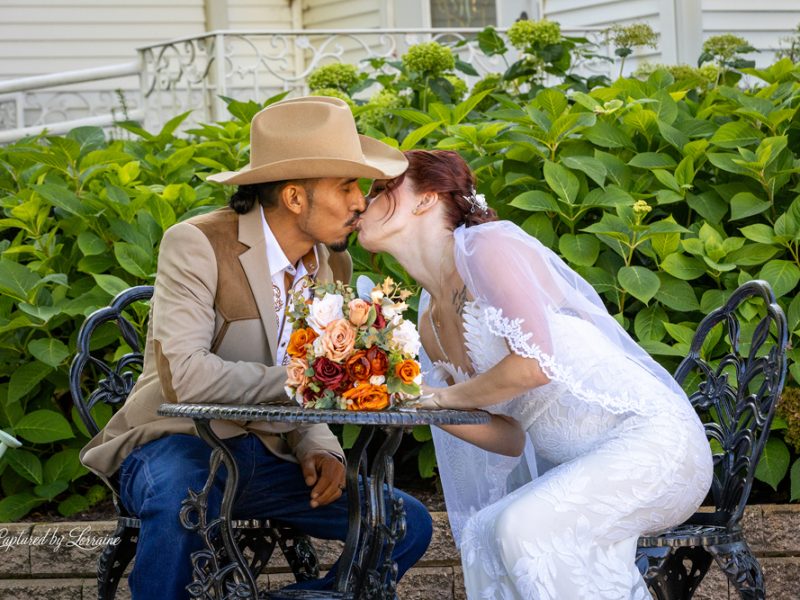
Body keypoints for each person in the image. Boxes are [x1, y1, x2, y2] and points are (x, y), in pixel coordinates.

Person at [79, 96, 432, 599]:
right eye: (347, 185)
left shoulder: (332, 265)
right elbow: (190, 378)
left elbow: (313, 368)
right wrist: (312, 383)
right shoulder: (196, 243)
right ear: (294, 197)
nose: (361, 201)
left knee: (401, 521)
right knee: (183, 495)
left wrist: (317, 445)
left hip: (265, 454)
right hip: (175, 442)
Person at [356, 149, 713, 599]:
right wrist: (412, 399)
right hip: (583, 465)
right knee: (484, 533)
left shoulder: (486, 249)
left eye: (381, 189)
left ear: (426, 199)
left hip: (652, 442)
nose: (362, 203)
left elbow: (535, 364)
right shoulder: (427, 320)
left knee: (521, 527)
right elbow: (511, 435)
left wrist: (441, 398)